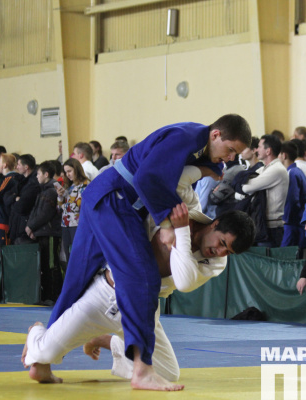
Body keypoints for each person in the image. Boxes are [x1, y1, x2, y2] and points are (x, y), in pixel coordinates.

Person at [48, 114, 251, 391]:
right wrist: (167, 224)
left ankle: (40, 358)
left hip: (112, 199)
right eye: (230, 150)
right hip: (115, 198)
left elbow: (178, 180)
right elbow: (146, 179)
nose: (230, 158)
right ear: (215, 135)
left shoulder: (202, 151)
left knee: (76, 278)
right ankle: (141, 370)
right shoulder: (186, 137)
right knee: (140, 278)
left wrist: (204, 170)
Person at [22, 171, 254, 385]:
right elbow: (167, 177)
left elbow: (185, 281)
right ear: (215, 224)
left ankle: (106, 340)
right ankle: (36, 329)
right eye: (222, 243)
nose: (219, 252)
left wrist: (182, 230)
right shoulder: (181, 209)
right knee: (43, 353)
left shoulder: (217, 263)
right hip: (106, 294)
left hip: (144, 308)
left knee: (168, 372)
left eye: (228, 251)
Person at [238, 134, 288, 247]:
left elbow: (246, 188)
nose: (256, 150)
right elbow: (244, 187)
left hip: (271, 228)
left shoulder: (277, 169)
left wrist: (240, 189)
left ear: (268, 151)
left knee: (265, 258)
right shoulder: (264, 169)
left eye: (259, 147)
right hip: (262, 224)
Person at [26, 161, 63, 304]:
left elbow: (45, 214)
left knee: (51, 265)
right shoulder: (44, 190)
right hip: (43, 232)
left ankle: (53, 296)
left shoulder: (52, 190)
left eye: (38, 174)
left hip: (50, 232)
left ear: (46, 174)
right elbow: (36, 211)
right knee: (45, 265)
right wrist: (31, 227)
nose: (36, 176)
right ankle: (47, 295)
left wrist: (31, 226)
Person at [57, 158, 90, 265]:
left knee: (78, 254)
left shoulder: (85, 184)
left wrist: (66, 203)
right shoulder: (70, 186)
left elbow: (78, 206)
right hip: (65, 223)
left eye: (69, 171)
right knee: (68, 255)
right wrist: (60, 196)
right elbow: (60, 207)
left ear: (77, 169)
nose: (68, 174)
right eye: (65, 172)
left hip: (78, 224)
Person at [279, 141, 306, 248]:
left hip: (292, 223)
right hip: (298, 222)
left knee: (286, 254)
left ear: (284, 155)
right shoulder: (298, 171)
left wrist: (286, 219)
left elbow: (292, 199)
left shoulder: (291, 173)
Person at [8, 154, 40, 244]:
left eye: (18, 164)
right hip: (17, 225)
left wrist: (13, 202)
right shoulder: (20, 181)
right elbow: (6, 198)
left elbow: (21, 206)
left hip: (24, 228)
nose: (16, 167)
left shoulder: (33, 183)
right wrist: (15, 199)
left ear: (26, 167)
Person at [0, 154, 22, 245]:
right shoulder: (13, 178)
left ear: (5, 165)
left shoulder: (9, 179)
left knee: (3, 250)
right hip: (5, 221)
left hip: (4, 222)